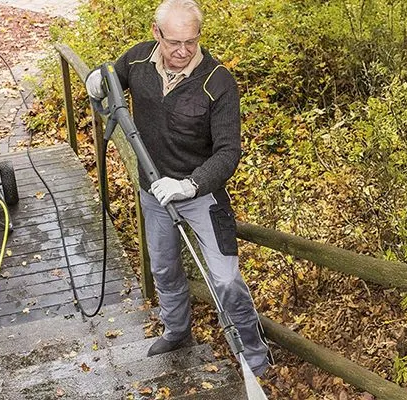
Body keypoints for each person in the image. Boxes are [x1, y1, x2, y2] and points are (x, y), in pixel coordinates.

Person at [85, 0, 273, 376]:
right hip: (153, 191)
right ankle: (177, 330)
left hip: (202, 195)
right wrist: (95, 79)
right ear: (157, 34)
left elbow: (229, 152)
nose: (183, 51)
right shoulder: (138, 60)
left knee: (225, 278)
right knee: (164, 267)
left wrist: (190, 185)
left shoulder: (217, 81)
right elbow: (111, 78)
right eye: (174, 42)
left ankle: (254, 354)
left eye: (191, 40)